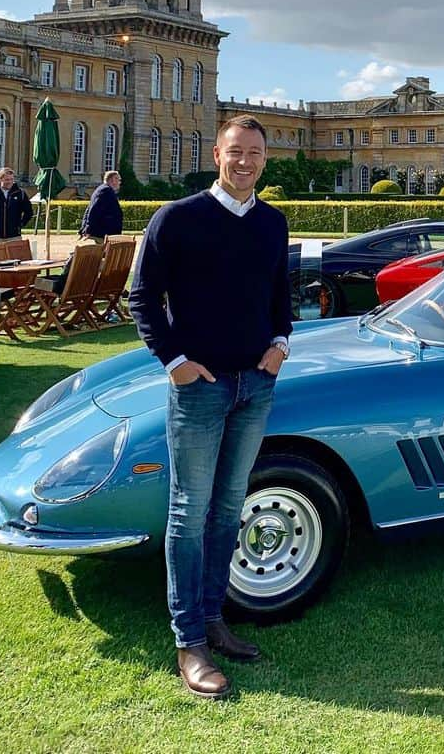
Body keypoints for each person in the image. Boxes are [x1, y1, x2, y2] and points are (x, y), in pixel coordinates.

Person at [129, 114, 292, 700]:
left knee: (227, 510)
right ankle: (189, 638)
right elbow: (142, 296)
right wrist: (175, 362)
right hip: (199, 386)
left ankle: (213, 616)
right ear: (217, 154)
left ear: (264, 160)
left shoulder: (273, 223)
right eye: (235, 151)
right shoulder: (176, 219)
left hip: (256, 384)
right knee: (188, 511)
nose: (244, 161)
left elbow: (280, 295)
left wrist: (280, 345)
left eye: (254, 153)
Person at [0, 167, 34, 241]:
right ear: (0, 179)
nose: (9, 182)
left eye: (11, 179)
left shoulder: (20, 193)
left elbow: (29, 212)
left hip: (14, 236)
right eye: (7, 179)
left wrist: (20, 224)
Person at [80, 170, 123, 244]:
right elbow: (94, 210)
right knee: (102, 253)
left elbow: (90, 209)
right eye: (118, 180)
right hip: (102, 233)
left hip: (103, 232)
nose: (120, 182)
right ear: (113, 180)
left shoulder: (103, 189)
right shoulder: (105, 190)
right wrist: (88, 228)